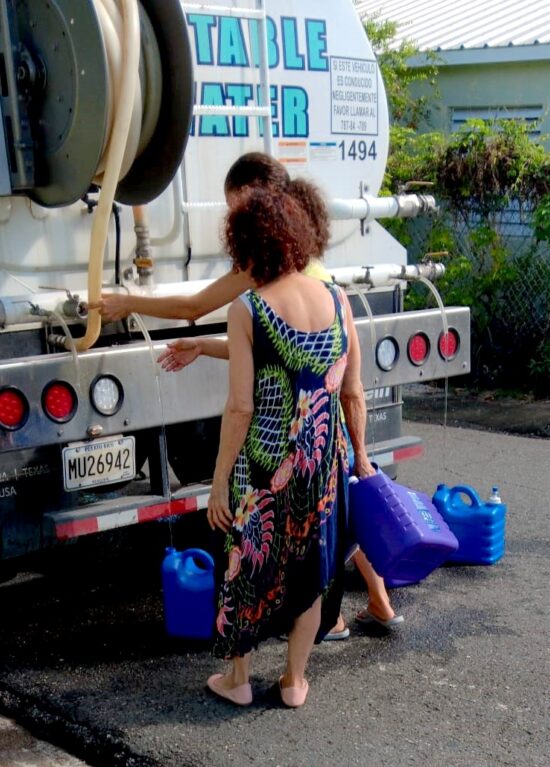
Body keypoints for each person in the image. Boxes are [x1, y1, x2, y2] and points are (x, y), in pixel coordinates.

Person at [88, 153, 402, 636]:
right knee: (332, 519)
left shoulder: (269, 262)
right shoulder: (310, 263)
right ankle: (361, 606)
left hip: (286, 432)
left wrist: (128, 301)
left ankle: (294, 631)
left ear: (263, 204)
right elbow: (297, 359)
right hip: (323, 428)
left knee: (288, 532)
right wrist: (359, 452)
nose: (236, 224)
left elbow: (198, 308)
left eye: (240, 208)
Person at [203, 180, 373, 708]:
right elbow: (353, 393)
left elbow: (240, 407)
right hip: (325, 461)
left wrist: (218, 483)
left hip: (264, 461)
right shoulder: (339, 299)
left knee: (247, 560)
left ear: (248, 245)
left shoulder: (248, 309)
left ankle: (238, 681)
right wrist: (361, 457)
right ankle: (294, 680)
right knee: (313, 563)